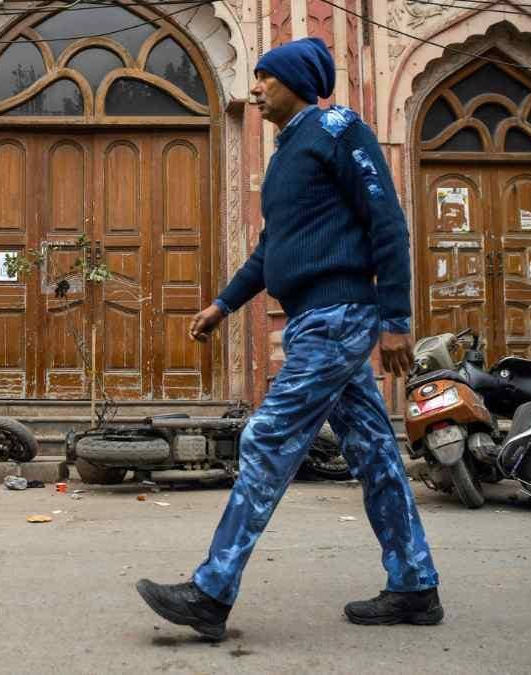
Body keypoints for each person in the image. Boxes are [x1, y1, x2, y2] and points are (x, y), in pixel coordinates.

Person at [135, 37, 442, 641]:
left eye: (263, 79)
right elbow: (272, 249)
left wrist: (397, 319)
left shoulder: (338, 128)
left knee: (266, 435)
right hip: (314, 318)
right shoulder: (285, 154)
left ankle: (211, 591)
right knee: (375, 453)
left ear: (295, 80)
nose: (254, 89)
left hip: (340, 317)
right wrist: (223, 305)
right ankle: (414, 584)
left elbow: (387, 221)